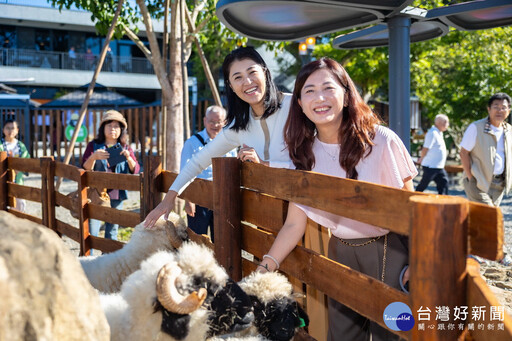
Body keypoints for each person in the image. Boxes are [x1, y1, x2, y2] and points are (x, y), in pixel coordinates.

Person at [256, 58, 417, 341]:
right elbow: (294, 223)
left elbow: (412, 207)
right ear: (300, 104)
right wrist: (265, 266)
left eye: (328, 88)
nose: (319, 98)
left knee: (394, 334)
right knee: (342, 336)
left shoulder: (381, 141)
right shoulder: (304, 152)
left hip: (389, 252)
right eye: (309, 90)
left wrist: (417, 263)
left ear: (346, 94)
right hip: (340, 251)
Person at [144, 46, 292, 228]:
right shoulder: (238, 126)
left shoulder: (295, 107)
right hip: (267, 217)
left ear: (265, 72)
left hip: (309, 211)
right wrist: (168, 200)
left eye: (252, 72)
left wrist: (265, 165)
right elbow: (197, 163)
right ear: (230, 85)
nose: (247, 81)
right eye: (237, 77)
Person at [460, 92, 512, 266]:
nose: (500, 110)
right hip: (478, 182)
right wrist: (469, 175)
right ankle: (500, 253)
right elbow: (464, 152)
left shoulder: (509, 130)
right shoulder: (476, 127)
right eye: (496, 107)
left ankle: (476, 252)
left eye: (503, 107)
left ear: (509, 110)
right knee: (492, 216)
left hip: (499, 184)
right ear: (488, 109)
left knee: (482, 218)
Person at [181, 106, 237, 242]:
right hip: (199, 198)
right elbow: (184, 172)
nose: (215, 125)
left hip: (223, 197)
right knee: (197, 240)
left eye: (219, 122)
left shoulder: (230, 143)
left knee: (222, 239)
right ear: (205, 121)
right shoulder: (192, 143)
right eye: (211, 121)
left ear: (225, 122)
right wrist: (188, 200)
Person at [82, 110, 140, 241]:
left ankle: (108, 258)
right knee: (92, 231)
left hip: (117, 193)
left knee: (112, 230)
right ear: (103, 128)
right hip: (96, 193)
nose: (112, 129)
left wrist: (129, 158)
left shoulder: (125, 147)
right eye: (109, 125)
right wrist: (94, 157)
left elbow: (135, 169)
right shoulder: (94, 145)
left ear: (121, 130)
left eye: (116, 126)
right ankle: (88, 259)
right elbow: (85, 168)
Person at [0, 119, 30, 212]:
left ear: (17, 130)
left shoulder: (21, 146)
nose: (10, 131)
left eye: (13, 128)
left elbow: (27, 160)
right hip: (2, 181)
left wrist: (19, 168)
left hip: (18, 181)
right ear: (3, 130)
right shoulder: (0, 145)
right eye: (7, 128)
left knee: (20, 206)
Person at [415, 114, 450, 194]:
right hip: (430, 166)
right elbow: (425, 148)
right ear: (441, 123)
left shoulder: (439, 133)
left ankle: (443, 203)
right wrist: (421, 158)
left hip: (438, 166)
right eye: (446, 122)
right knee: (423, 185)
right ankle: (412, 199)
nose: (448, 124)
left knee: (444, 184)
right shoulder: (432, 133)